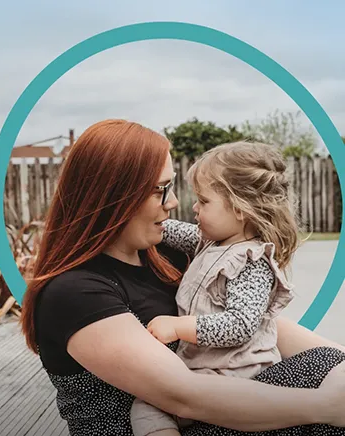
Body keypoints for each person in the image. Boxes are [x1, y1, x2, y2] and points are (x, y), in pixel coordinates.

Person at [20, 119, 345, 436]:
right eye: (160, 190)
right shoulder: (75, 292)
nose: (174, 203)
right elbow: (182, 395)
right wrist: (323, 405)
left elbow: (255, 322)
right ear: (113, 197)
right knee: (318, 377)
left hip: (223, 406)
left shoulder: (169, 255)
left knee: (327, 363)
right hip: (164, 421)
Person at [130, 141, 299, 436]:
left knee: (150, 405)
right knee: (149, 405)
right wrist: (132, 215)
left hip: (239, 374)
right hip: (211, 372)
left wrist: (179, 326)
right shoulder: (208, 241)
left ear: (240, 209)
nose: (193, 207)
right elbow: (167, 228)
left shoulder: (253, 260)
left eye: (204, 201)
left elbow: (240, 325)